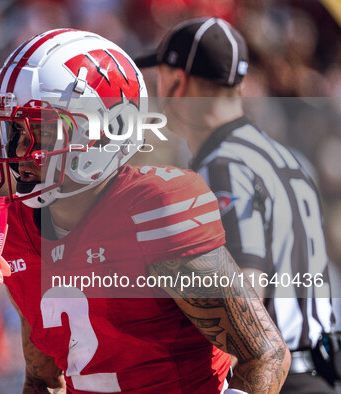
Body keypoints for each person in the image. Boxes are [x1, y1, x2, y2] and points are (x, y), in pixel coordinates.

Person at [0, 28, 290, 393]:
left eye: (41, 130)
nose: (20, 150)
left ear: (111, 128)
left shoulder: (155, 210)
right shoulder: (16, 231)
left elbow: (266, 354)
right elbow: (42, 379)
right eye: (14, 130)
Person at [135, 17, 335, 393]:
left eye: (159, 75)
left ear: (177, 80)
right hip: (319, 370)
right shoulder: (284, 156)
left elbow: (246, 289)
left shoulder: (223, 167)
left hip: (277, 380)